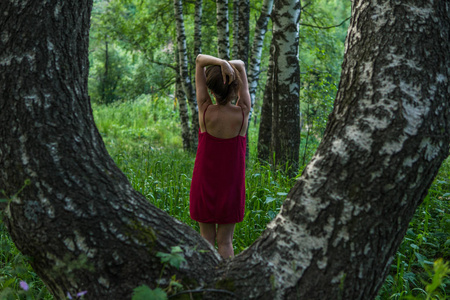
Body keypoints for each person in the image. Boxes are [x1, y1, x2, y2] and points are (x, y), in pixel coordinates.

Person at [189, 54, 250, 259]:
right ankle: (225, 282)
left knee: (205, 240)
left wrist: (220, 63)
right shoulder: (243, 114)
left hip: (204, 184)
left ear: (211, 88)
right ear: (236, 87)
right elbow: (241, 64)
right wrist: (231, 66)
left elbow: (199, 60)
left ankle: (205, 282)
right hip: (231, 187)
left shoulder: (205, 110)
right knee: (225, 242)